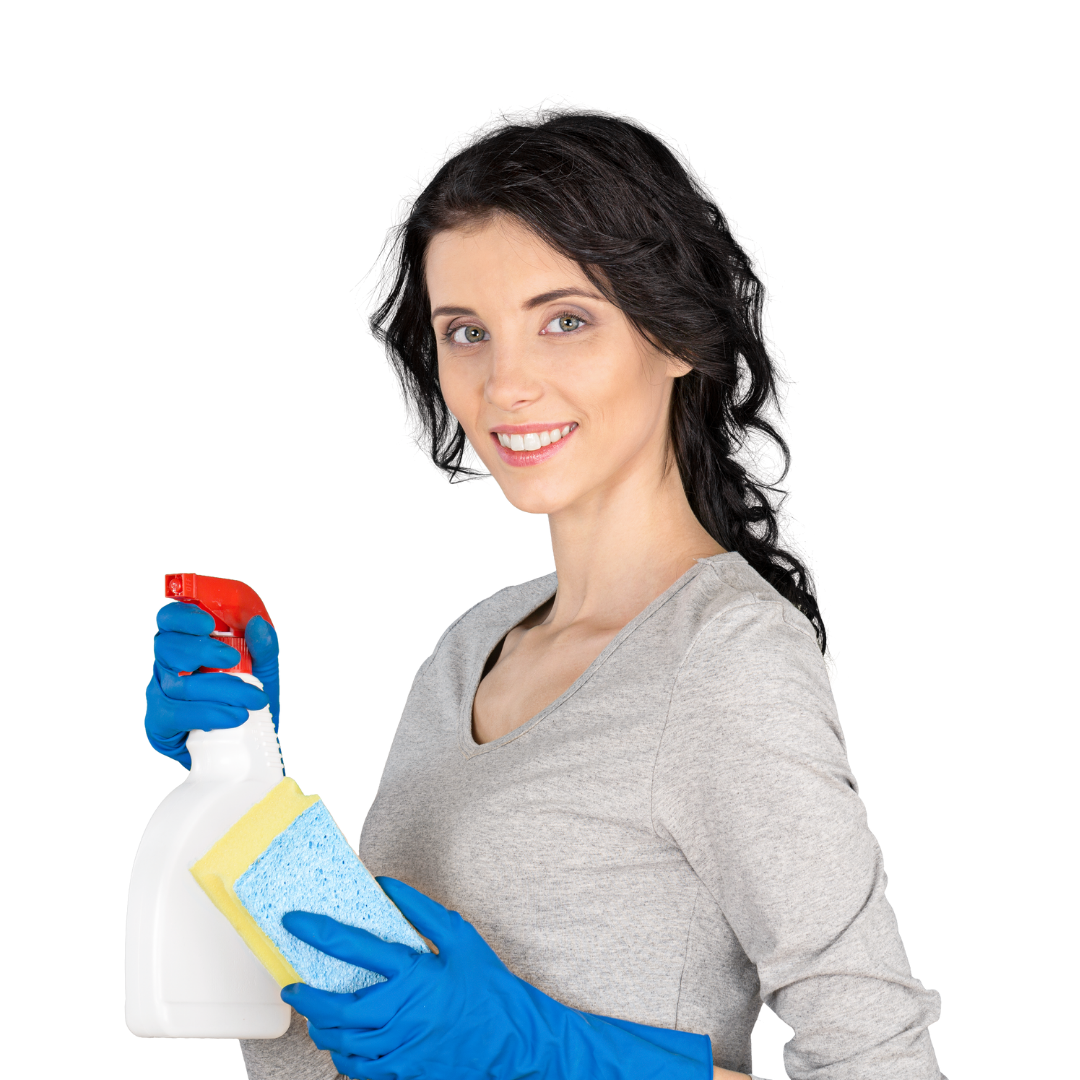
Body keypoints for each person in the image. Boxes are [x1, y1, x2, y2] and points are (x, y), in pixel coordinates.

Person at [146, 112, 945, 1080]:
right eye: (466, 332)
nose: (506, 381)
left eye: (564, 320)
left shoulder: (723, 656)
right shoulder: (471, 649)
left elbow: (882, 1064)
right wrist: (244, 790)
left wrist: (544, 1049)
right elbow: (336, 1049)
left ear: (677, 335)